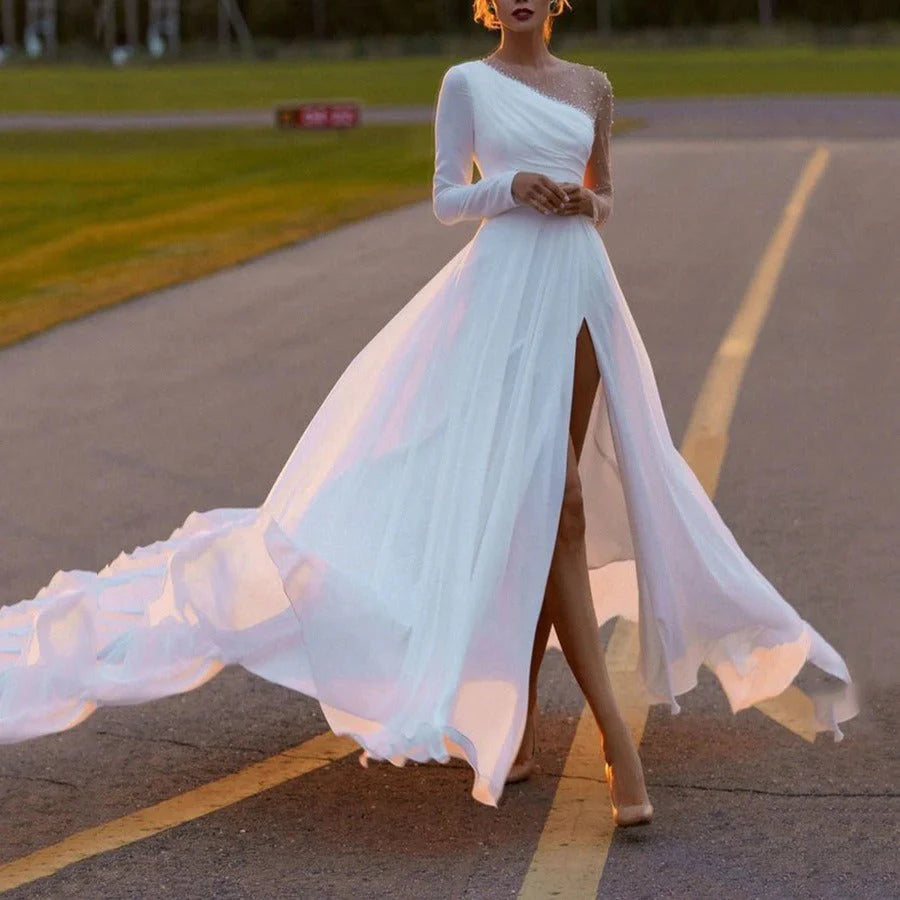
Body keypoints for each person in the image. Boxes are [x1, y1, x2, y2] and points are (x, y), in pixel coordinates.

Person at [0, 0, 857, 830]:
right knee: (554, 501)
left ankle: (513, 726)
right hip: (498, 304)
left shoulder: (593, 85)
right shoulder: (465, 84)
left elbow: (605, 199)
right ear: (490, 4)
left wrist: (578, 202)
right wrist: (514, 188)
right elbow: (449, 197)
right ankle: (614, 743)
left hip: (583, 294)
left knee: (555, 509)